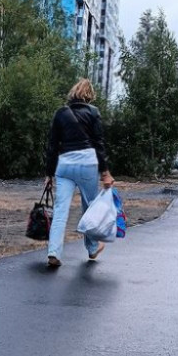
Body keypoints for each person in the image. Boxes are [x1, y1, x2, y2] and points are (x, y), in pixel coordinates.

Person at [43, 78, 114, 268]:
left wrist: (48, 174)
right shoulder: (93, 112)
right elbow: (99, 143)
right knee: (90, 207)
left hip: (64, 165)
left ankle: (53, 252)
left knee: (60, 210)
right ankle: (91, 249)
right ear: (89, 96)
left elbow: (52, 146)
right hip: (87, 164)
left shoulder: (60, 113)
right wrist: (105, 172)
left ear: (73, 93)